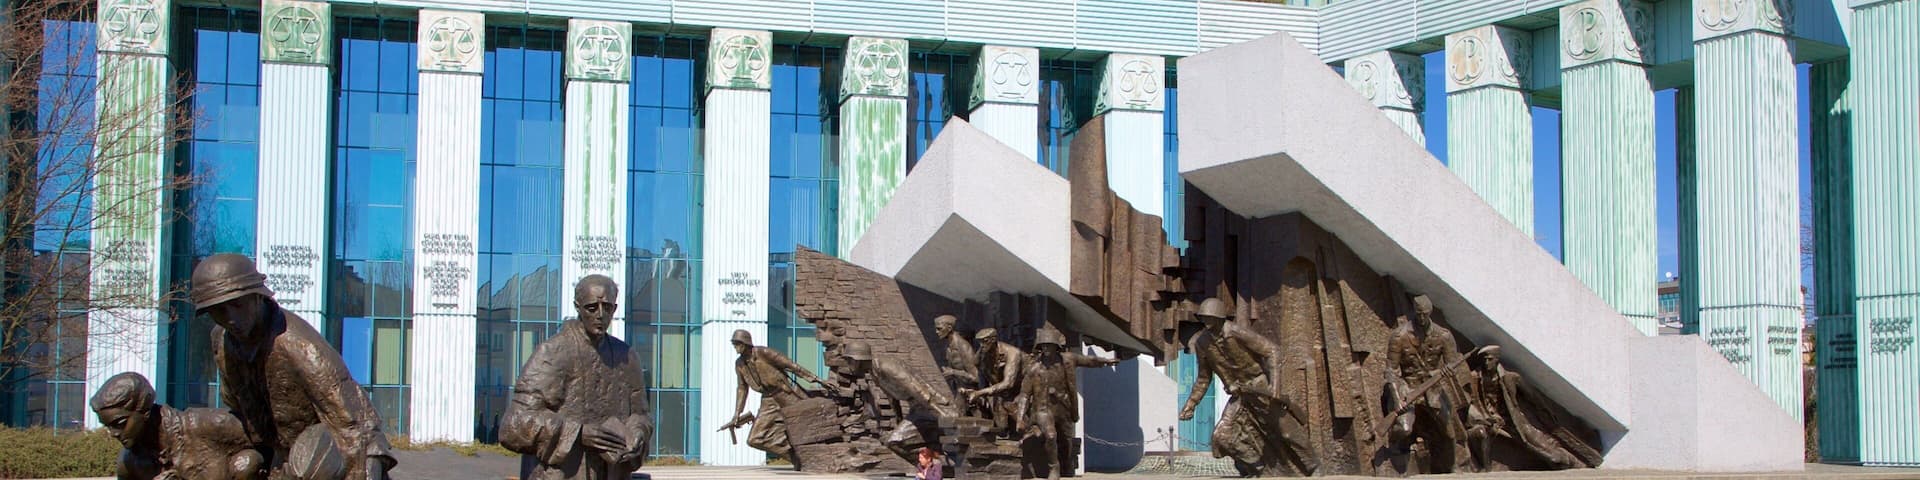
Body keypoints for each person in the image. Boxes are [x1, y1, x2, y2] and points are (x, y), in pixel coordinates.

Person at [193, 254, 395, 480]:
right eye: (219, 310)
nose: (231, 318)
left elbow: (357, 426)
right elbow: (236, 408)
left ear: (258, 297)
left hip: (323, 464)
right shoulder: (222, 342)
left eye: (238, 305)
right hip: (277, 459)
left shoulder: (296, 344)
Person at [500, 275, 653, 480]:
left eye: (607, 308)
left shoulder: (627, 356)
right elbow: (514, 424)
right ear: (577, 307)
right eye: (592, 308)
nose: (600, 315)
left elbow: (641, 415)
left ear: (614, 309)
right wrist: (577, 433)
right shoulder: (553, 352)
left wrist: (637, 434)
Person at [1178, 297, 1317, 477]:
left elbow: (1271, 350)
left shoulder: (1235, 332)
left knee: (1287, 431)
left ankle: (1314, 466)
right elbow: (1204, 378)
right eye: (1203, 317)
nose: (1206, 321)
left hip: (1259, 387)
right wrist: (1191, 404)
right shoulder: (1202, 343)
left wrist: (1274, 386)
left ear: (1219, 317)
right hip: (1239, 395)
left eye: (1210, 317)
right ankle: (1259, 468)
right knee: (1222, 436)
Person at [90, 372, 263, 480]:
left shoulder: (208, 425)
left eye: (119, 424)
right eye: (108, 426)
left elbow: (274, 439)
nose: (113, 433)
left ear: (143, 410)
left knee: (248, 462)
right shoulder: (129, 463)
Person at [1383, 295, 1470, 473]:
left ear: (1430, 313)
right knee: (1404, 428)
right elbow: (1390, 371)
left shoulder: (1444, 335)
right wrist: (1397, 398)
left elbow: (1451, 363)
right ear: (1414, 312)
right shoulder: (1399, 336)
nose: (1422, 318)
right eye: (1419, 314)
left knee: (1449, 431)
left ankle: (1450, 467)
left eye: (1425, 314)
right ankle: (1394, 449)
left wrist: (1445, 371)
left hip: (1432, 389)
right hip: (1408, 387)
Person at [1016, 329, 1119, 480]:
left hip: (1063, 407)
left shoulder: (1068, 360)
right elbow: (1025, 394)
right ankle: (1053, 468)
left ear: (1056, 346)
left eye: (1048, 345)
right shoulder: (1034, 369)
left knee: (1066, 442)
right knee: (1051, 436)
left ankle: (1065, 466)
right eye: (1043, 346)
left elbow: (1089, 360)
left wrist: (1105, 361)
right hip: (1042, 410)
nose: (1045, 349)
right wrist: (1020, 417)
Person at [1464, 346, 1586, 470]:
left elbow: (1532, 396)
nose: (1486, 363)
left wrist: (1545, 411)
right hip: (1488, 420)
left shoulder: (1511, 378)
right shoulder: (1474, 377)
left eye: (1490, 359)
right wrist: (1484, 418)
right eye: (1484, 360)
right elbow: (1471, 402)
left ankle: (1569, 461)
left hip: (1513, 419)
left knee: (1539, 445)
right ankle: (1486, 469)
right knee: (1481, 433)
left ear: (1497, 359)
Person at [841, 342, 961, 461]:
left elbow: (916, 388)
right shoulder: (874, 372)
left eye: (849, 360)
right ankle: (934, 465)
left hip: (933, 405)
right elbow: (892, 398)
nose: (848, 365)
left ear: (857, 359)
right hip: (917, 409)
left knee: (953, 438)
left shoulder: (886, 366)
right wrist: (898, 420)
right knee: (894, 442)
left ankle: (945, 464)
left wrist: (940, 413)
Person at [731, 329, 829, 463]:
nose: (735, 347)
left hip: (787, 394)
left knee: (809, 426)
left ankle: (815, 455)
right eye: (734, 344)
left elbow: (791, 366)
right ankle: (796, 458)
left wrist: (815, 378)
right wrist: (737, 412)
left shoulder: (764, 353)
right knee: (754, 439)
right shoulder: (739, 364)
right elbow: (742, 388)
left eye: (737, 343)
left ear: (745, 343)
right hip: (768, 400)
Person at [960, 328, 1024, 436]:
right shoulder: (982, 353)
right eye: (979, 342)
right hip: (1000, 393)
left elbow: (1009, 383)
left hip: (1020, 390)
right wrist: (980, 393)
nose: (981, 345)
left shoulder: (1013, 353)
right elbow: (980, 370)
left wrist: (980, 393)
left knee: (1021, 423)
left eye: (985, 341)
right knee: (1001, 428)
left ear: (993, 339)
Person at [933, 315, 977, 393]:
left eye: (939, 329)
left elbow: (976, 377)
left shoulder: (963, 346)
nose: (936, 332)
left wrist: (953, 372)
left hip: (970, 394)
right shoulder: (948, 345)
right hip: (958, 392)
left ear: (949, 328)